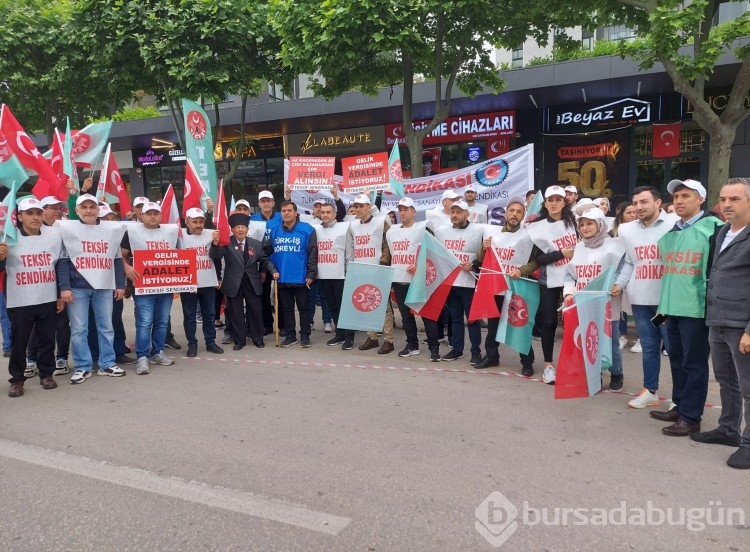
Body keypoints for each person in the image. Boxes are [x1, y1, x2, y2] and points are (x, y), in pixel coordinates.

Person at [650, 179, 723, 437]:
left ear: (700, 199)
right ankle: (680, 405)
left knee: (694, 364)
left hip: (696, 308)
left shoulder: (715, 229)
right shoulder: (671, 233)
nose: (679, 201)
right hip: (671, 308)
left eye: (686, 196)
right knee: (678, 361)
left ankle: (691, 417)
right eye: (676, 196)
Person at [691, 177, 750, 469]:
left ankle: (749, 444)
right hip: (718, 319)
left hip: (742, 325)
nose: (727, 204)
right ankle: (728, 429)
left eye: (735, 199)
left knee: (748, 385)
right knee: (726, 381)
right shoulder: (723, 231)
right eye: (724, 199)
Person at [615, 187, 679, 408]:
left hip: (666, 302)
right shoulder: (626, 230)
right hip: (641, 301)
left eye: (644, 202)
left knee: (673, 348)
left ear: (658, 203)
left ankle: (680, 398)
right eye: (635, 203)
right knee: (650, 347)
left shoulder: (675, 223)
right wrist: (619, 284)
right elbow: (630, 262)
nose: (639, 207)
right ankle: (650, 391)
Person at [56, 194, 127, 384]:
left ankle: (107, 363)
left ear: (98, 210)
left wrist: (120, 284)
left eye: (92, 207)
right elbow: (63, 261)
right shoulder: (69, 230)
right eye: (84, 207)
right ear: (77, 210)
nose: (88, 211)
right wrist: (65, 288)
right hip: (77, 288)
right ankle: (82, 366)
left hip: (104, 287)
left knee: (106, 327)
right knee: (79, 329)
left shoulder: (111, 230)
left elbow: (117, 259)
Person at [0, 197, 64, 397]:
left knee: (46, 339)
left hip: (46, 296)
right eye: (29, 213)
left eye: (38, 213)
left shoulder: (53, 235)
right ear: (19, 216)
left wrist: (60, 293)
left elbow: (59, 264)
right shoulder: (8, 238)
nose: (35, 217)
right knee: (20, 340)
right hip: (20, 299)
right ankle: (17, 379)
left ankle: (46, 374)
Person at [563, 207, 626, 390]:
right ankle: (594, 374)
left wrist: (617, 285)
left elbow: (622, 270)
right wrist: (568, 292)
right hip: (584, 303)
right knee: (590, 340)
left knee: (611, 340)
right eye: (581, 224)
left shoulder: (615, 246)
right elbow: (570, 275)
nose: (585, 228)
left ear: (600, 225)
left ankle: (616, 373)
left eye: (589, 223)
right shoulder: (579, 247)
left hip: (607, 304)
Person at [475, 196, 537, 372]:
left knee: (519, 325)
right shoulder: (492, 234)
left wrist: (521, 270)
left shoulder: (527, 236)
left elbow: (536, 262)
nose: (514, 214)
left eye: (519, 212)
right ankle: (492, 356)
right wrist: (483, 248)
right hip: (496, 287)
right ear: (506, 213)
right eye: (512, 210)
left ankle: (527, 362)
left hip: (517, 288)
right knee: (493, 324)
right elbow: (481, 259)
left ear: (523, 215)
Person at [121, 201, 180, 375]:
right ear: (142, 215)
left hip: (165, 285)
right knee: (145, 322)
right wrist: (127, 268)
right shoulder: (131, 232)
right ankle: (142, 356)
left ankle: (158, 352)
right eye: (149, 213)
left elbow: (178, 255)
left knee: (162, 321)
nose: (153, 216)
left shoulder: (170, 232)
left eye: (156, 213)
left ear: (161, 216)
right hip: (143, 285)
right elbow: (121, 255)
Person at [526, 185, 578, 384]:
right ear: (545, 203)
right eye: (551, 200)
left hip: (574, 278)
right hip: (550, 279)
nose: (554, 203)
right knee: (548, 322)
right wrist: (560, 254)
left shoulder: (574, 222)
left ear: (564, 202)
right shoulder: (538, 227)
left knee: (573, 322)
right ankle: (548, 366)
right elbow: (538, 259)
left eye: (558, 199)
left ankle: (575, 363)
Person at [24, 196, 71, 378]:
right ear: (42, 211)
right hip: (34, 287)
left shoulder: (63, 231)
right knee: (35, 326)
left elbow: (63, 262)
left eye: (60, 207)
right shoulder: (30, 232)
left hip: (59, 285)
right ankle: (32, 360)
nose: (58, 211)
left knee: (61, 324)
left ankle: (61, 358)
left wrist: (62, 289)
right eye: (53, 208)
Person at [387, 197, 439, 359]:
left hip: (418, 280)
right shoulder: (392, 232)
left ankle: (434, 348)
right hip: (399, 278)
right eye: (400, 209)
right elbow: (391, 255)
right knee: (405, 316)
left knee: (426, 315)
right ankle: (412, 344)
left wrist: (420, 266)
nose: (402, 213)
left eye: (406, 209)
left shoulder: (423, 228)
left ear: (414, 212)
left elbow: (433, 252)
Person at [435, 199, 485, 363]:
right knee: (455, 318)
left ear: (467, 213)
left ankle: (475, 351)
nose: (455, 215)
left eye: (459, 212)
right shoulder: (442, 231)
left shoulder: (479, 230)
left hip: (469, 283)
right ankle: (457, 349)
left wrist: (474, 265)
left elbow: (485, 255)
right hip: (451, 282)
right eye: (453, 212)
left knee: (472, 319)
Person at [262, 201, 317, 348]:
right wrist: (273, 270)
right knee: (286, 309)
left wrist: (311, 274)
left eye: (289, 210)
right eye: (283, 211)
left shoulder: (307, 229)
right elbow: (265, 254)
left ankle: (305, 336)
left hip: (301, 277)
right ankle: (291, 336)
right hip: (281, 278)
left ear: (296, 213)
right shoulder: (274, 230)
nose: (286, 213)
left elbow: (312, 254)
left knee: (304, 309)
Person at [347, 193, 394, 354]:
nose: (358, 209)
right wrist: (350, 268)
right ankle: (372, 337)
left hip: (378, 268)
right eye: (356, 206)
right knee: (365, 305)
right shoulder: (353, 225)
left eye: (361, 206)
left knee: (384, 306)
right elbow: (352, 248)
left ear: (369, 206)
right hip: (361, 270)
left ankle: (388, 340)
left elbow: (389, 243)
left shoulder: (381, 221)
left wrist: (383, 263)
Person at [210, 212, 265, 350]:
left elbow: (264, 260)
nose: (241, 229)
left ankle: (257, 338)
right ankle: (239, 340)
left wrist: (271, 271)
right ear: (232, 229)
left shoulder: (256, 244)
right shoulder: (226, 243)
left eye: (243, 227)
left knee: (255, 311)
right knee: (236, 312)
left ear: (248, 229)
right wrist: (215, 244)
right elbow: (215, 256)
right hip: (233, 281)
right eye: (237, 227)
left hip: (252, 281)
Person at [181, 208, 224, 357]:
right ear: (187, 222)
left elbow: (217, 257)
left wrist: (216, 243)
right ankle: (192, 344)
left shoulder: (211, 234)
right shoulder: (179, 236)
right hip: (188, 283)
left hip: (207, 281)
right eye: (194, 222)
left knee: (210, 314)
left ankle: (210, 342)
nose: (198, 225)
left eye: (201, 222)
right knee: (190, 316)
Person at [314, 201, 355, 349]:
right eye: (323, 212)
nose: (325, 215)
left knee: (344, 307)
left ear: (334, 214)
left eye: (328, 212)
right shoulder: (316, 229)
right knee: (333, 307)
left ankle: (349, 337)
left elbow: (349, 252)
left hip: (341, 275)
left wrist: (349, 272)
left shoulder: (344, 228)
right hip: (324, 274)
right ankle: (340, 334)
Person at [251, 190, 283, 336]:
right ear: (258, 203)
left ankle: (282, 325)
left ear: (273, 203)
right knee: (263, 295)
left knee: (281, 294)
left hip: (279, 260)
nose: (266, 203)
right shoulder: (252, 219)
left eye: (268, 200)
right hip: (261, 262)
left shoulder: (281, 217)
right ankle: (267, 325)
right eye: (263, 201)